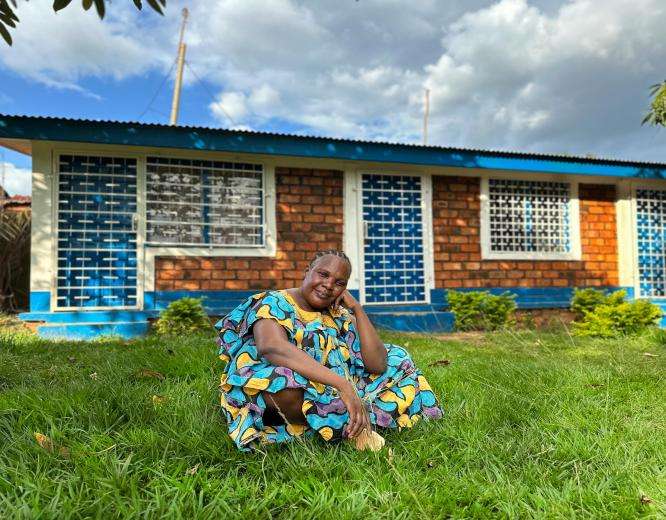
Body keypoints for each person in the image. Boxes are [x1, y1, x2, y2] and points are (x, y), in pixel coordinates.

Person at [215, 250, 443, 451]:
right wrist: (342, 385)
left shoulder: (337, 314)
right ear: (307, 271)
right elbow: (272, 347)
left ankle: (341, 419)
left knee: (398, 357)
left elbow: (377, 364)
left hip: (329, 388)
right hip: (287, 382)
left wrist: (357, 309)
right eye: (323, 274)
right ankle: (356, 423)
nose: (329, 285)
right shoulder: (273, 301)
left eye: (339, 283)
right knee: (284, 386)